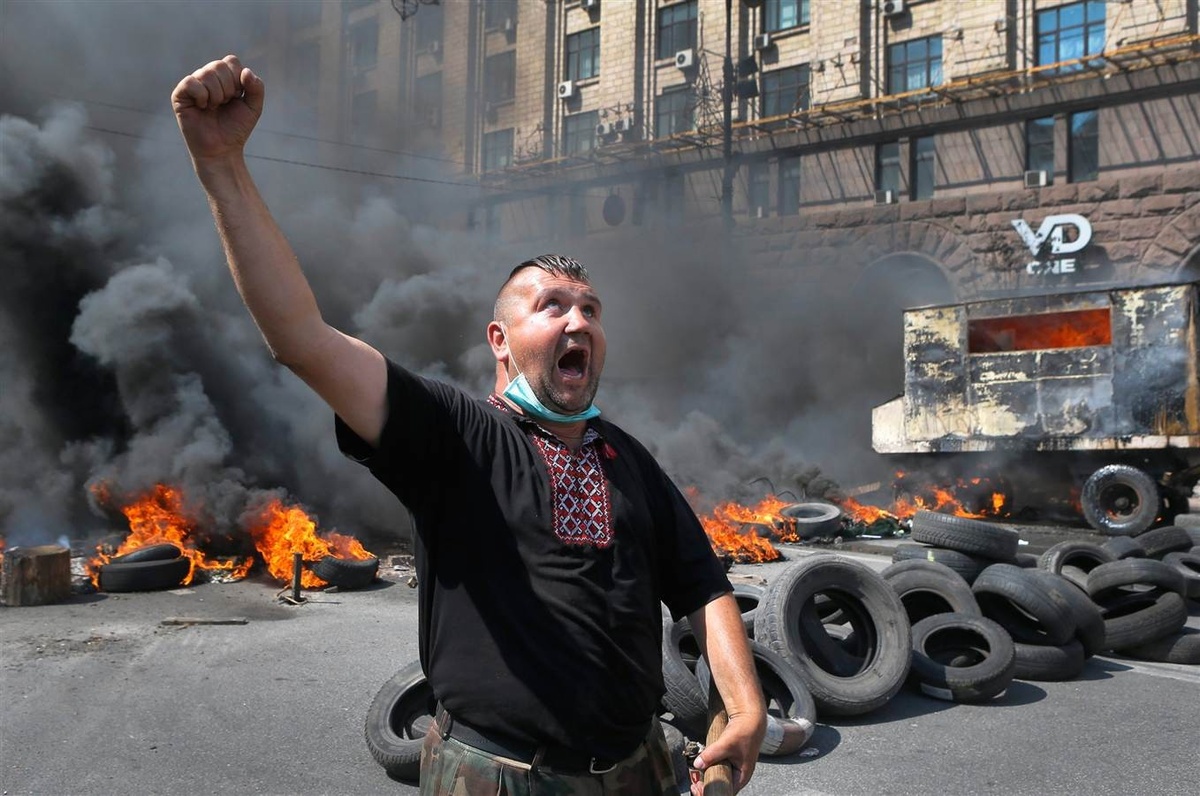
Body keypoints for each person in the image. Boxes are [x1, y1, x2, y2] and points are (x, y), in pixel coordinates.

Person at [172, 55, 766, 795]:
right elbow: (302, 339)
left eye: (590, 309)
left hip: (639, 770)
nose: (579, 320)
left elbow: (702, 584)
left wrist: (745, 707)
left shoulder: (629, 460)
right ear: (500, 341)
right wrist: (222, 166)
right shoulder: (457, 436)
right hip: (498, 777)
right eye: (551, 306)